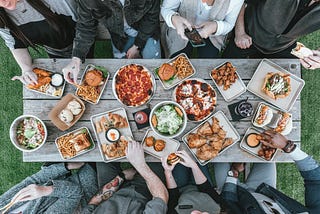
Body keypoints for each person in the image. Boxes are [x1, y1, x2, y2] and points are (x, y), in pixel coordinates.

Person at [214, 130, 320, 213]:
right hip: (264, 191)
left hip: (235, 195)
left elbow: (229, 202)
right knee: (266, 146)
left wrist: (234, 172)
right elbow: (315, 180)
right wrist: (287, 146)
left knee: (217, 153)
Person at [63, 0, 161, 84]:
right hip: (120, 36)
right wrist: (76, 59)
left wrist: (137, 46)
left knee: (154, 71)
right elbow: (85, 27)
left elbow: (151, 18)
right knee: (122, 77)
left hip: (146, 31)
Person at [0, 0, 80, 85]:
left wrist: (77, 57)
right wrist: (26, 69)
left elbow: (84, 26)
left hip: (80, 40)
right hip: (54, 48)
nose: (2, 3)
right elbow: (15, 43)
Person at [82, 141, 168, 213]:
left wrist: (121, 176)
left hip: (112, 193)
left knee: (103, 152)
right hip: (145, 192)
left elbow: (94, 202)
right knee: (157, 153)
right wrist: (140, 165)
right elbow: (161, 197)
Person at [223, 0, 320, 59]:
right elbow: (242, 1)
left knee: (288, 84)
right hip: (249, 35)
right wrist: (240, 32)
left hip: (283, 46)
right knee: (225, 71)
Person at [0, 163, 98, 214]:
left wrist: (65, 167)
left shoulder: (2, 205)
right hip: (86, 182)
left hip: (60, 177)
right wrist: (43, 190)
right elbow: (75, 193)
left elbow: (33, 180)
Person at [160, 0, 243, 58]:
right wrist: (174, 19)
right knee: (177, 60)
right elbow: (166, 9)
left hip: (213, 36)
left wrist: (215, 27)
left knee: (207, 63)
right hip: (180, 28)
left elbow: (229, 24)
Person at [161, 150, 225, 214]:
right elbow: (207, 189)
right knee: (197, 154)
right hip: (202, 187)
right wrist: (194, 166)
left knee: (176, 154)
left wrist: (168, 171)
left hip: (179, 188)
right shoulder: (219, 209)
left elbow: (173, 196)